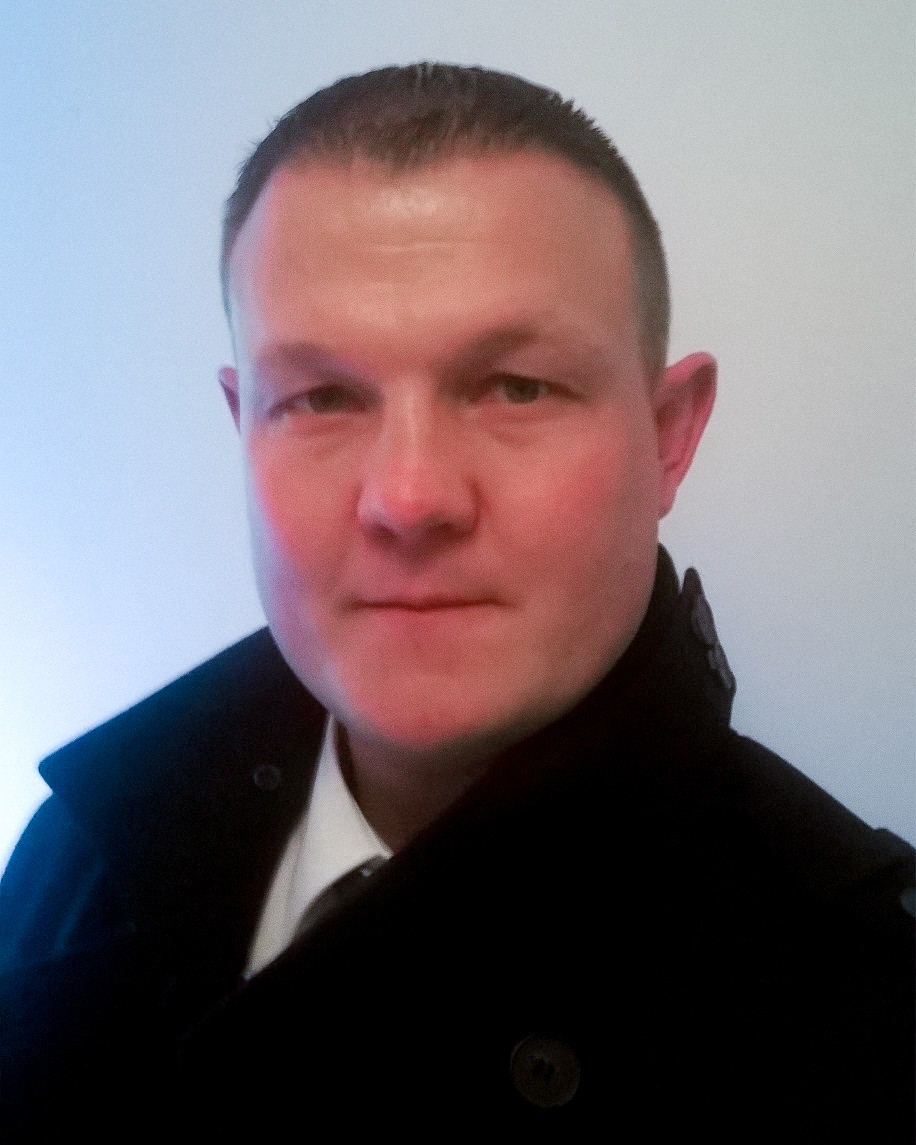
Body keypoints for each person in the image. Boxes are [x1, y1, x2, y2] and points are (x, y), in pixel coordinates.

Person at [2, 63, 912, 1139]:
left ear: (669, 437)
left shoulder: (874, 1004)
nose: (409, 497)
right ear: (243, 426)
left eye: (517, 386)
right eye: (321, 397)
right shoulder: (76, 854)